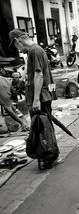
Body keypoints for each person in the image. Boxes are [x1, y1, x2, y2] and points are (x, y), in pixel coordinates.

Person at [8, 29, 62, 165]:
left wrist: (36, 99)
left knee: (44, 127)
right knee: (43, 126)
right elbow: (34, 72)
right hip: (40, 96)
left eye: (15, 46)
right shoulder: (33, 51)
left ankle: (52, 156)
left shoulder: (34, 51)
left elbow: (39, 75)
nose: (18, 50)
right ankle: (47, 153)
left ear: (17, 41)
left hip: (41, 97)